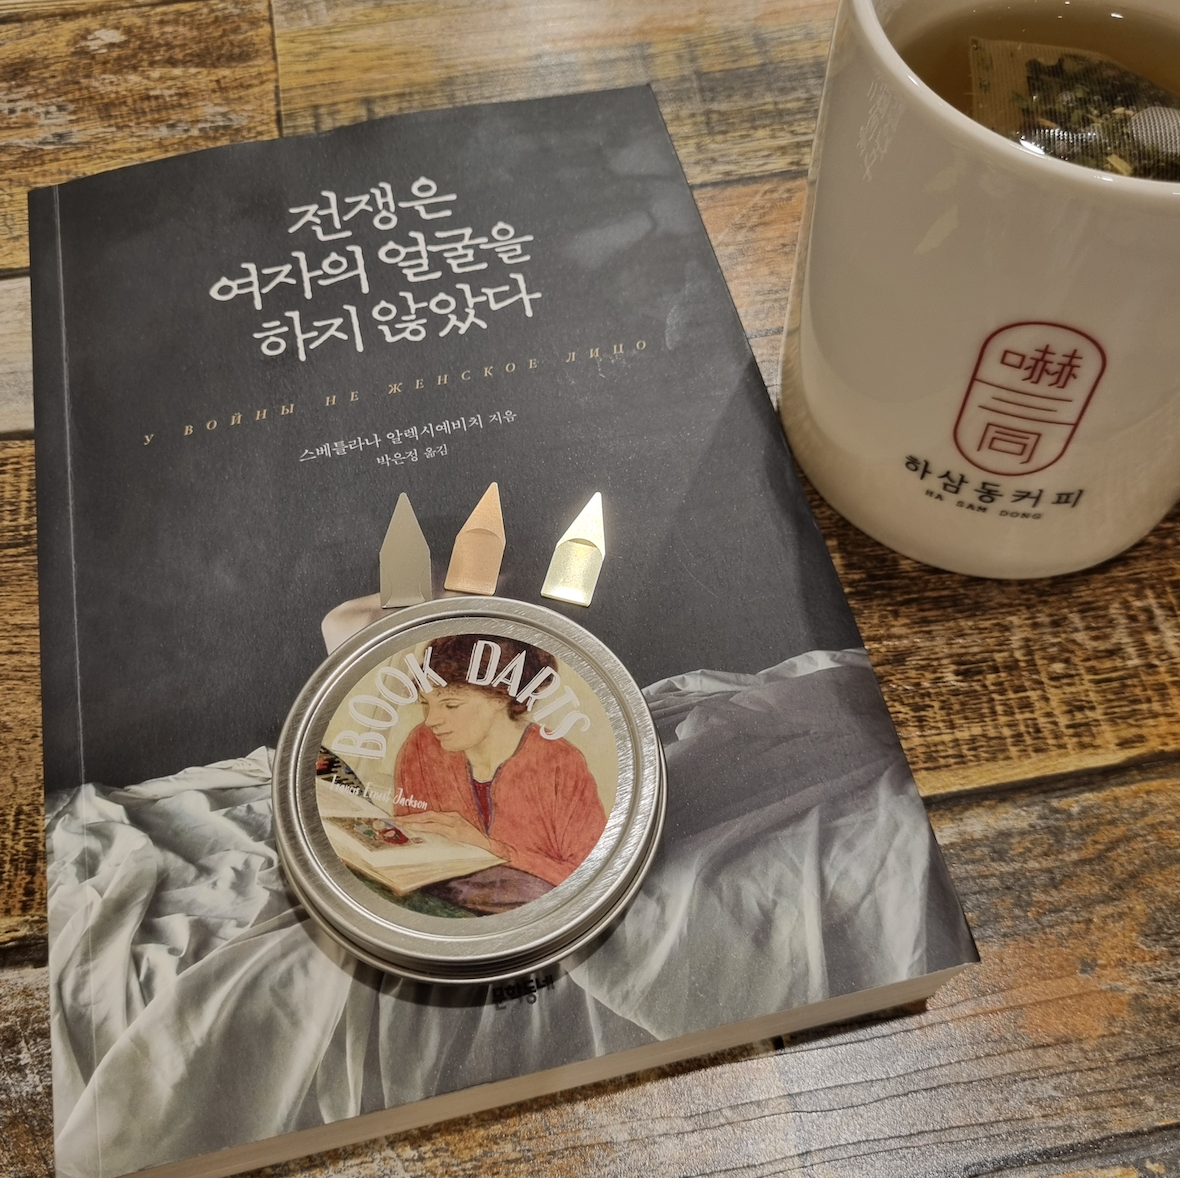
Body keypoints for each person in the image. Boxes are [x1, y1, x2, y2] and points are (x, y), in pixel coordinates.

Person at [393, 634, 608, 905]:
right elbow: (407, 844)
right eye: (426, 704)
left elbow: (592, 875)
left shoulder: (560, 762)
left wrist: (490, 848)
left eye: (450, 705)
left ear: (499, 697)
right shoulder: (422, 744)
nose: (431, 720)